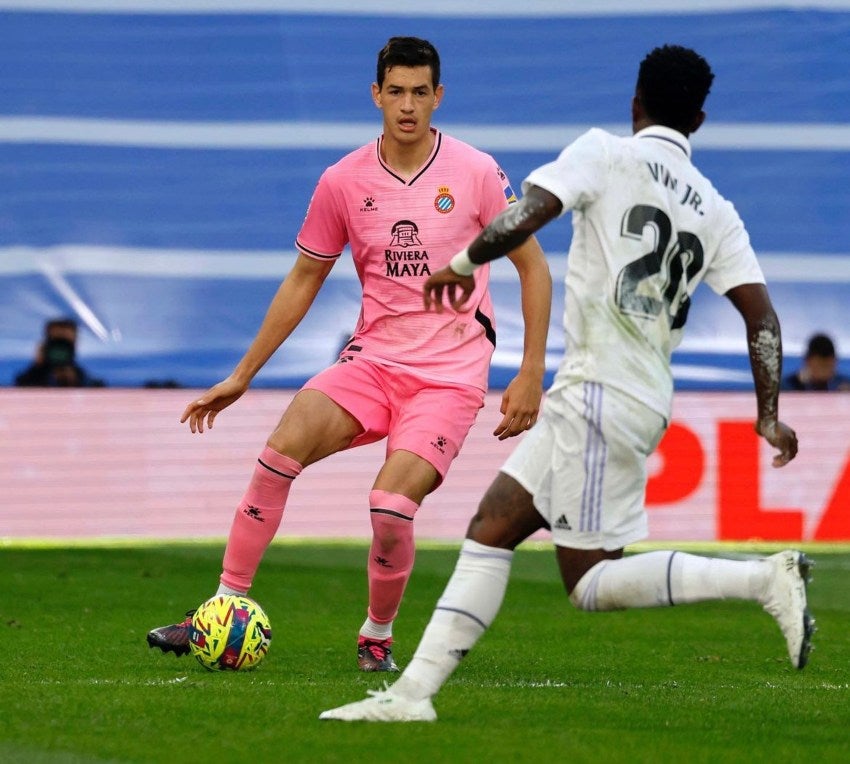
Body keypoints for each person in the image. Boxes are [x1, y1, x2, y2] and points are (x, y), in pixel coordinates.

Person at [320, 44, 813, 722]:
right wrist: (768, 414)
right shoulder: (716, 210)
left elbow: (528, 212)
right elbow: (761, 316)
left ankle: (762, 577)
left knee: (590, 582)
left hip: (599, 390)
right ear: (699, 117)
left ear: (635, 102)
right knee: (492, 527)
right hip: (636, 395)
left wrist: (462, 260)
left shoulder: (605, 153)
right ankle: (411, 698)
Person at [146, 36, 551, 672]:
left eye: (421, 93)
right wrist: (242, 375)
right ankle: (221, 609)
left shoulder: (476, 172)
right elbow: (303, 279)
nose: (408, 106)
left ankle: (377, 637)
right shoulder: (343, 180)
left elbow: (533, 268)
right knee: (279, 450)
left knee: (389, 509)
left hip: (448, 380)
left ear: (438, 96)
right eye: (397, 92)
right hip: (371, 364)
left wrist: (530, 372)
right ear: (376, 95)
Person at [14, 317, 104, 387]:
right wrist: (37, 367)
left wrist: (73, 382)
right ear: (46, 343)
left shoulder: (92, 383)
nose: (60, 349)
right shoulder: (26, 379)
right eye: (56, 341)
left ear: (75, 343)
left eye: (66, 342)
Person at [782, 333, 850, 391]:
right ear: (807, 361)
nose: (823, 372)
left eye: (827, 366)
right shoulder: (790, 385)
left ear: (835, 362)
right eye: (820, 366)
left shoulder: (844, 385)